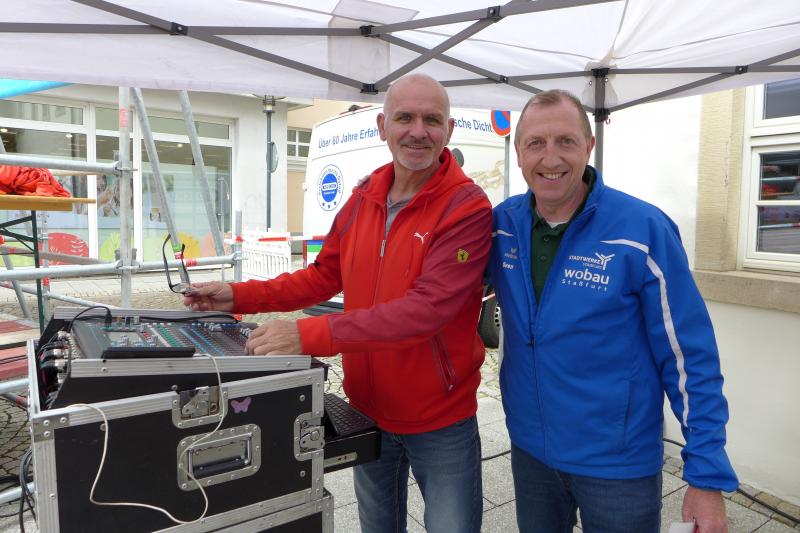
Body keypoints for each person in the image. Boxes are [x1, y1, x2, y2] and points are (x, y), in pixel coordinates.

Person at [184, 73, 491, 533]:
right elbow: (321, 277)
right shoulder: (363, 198)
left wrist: (305, 334)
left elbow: (424, 312)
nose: (418, 131)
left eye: (432, 120)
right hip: (368, 408)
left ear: (448, 131)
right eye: (405, 118)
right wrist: (239, 294)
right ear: (383, 127)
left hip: (440, 420)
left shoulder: (466, 207)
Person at [486, 90, 738, 533]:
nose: (551, 157)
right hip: (531, 451)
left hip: (617, 465)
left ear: (588, 146)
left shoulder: (643, 229)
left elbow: (688, 357)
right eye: (536, 143)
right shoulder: (501, 225)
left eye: (566, 141)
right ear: (519, 152)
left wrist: (706, 475)